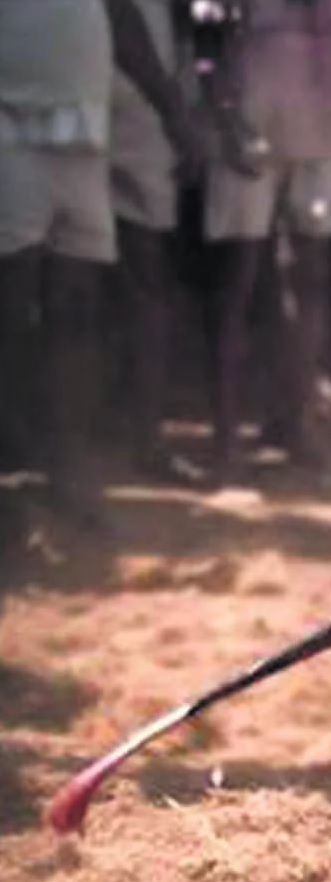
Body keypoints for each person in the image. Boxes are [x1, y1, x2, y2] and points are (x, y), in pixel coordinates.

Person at [199, 0, 331, 474]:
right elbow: (206, 38)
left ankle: (296, 422)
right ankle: (226, 436)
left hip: (320, 124)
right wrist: (224, 113)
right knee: (238, 281)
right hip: (250, 125)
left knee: (310, 276)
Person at [0, 0, 194, 517]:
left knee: (77, 310)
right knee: (10, 311)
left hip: (83, 136)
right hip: (10, 130)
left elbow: (121, 15)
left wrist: (170, 106)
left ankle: (68, 470)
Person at [108, 0, 203, 481]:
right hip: (109, 106)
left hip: (144, 118)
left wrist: (179, 109)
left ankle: (143, 438)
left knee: (144, 286)